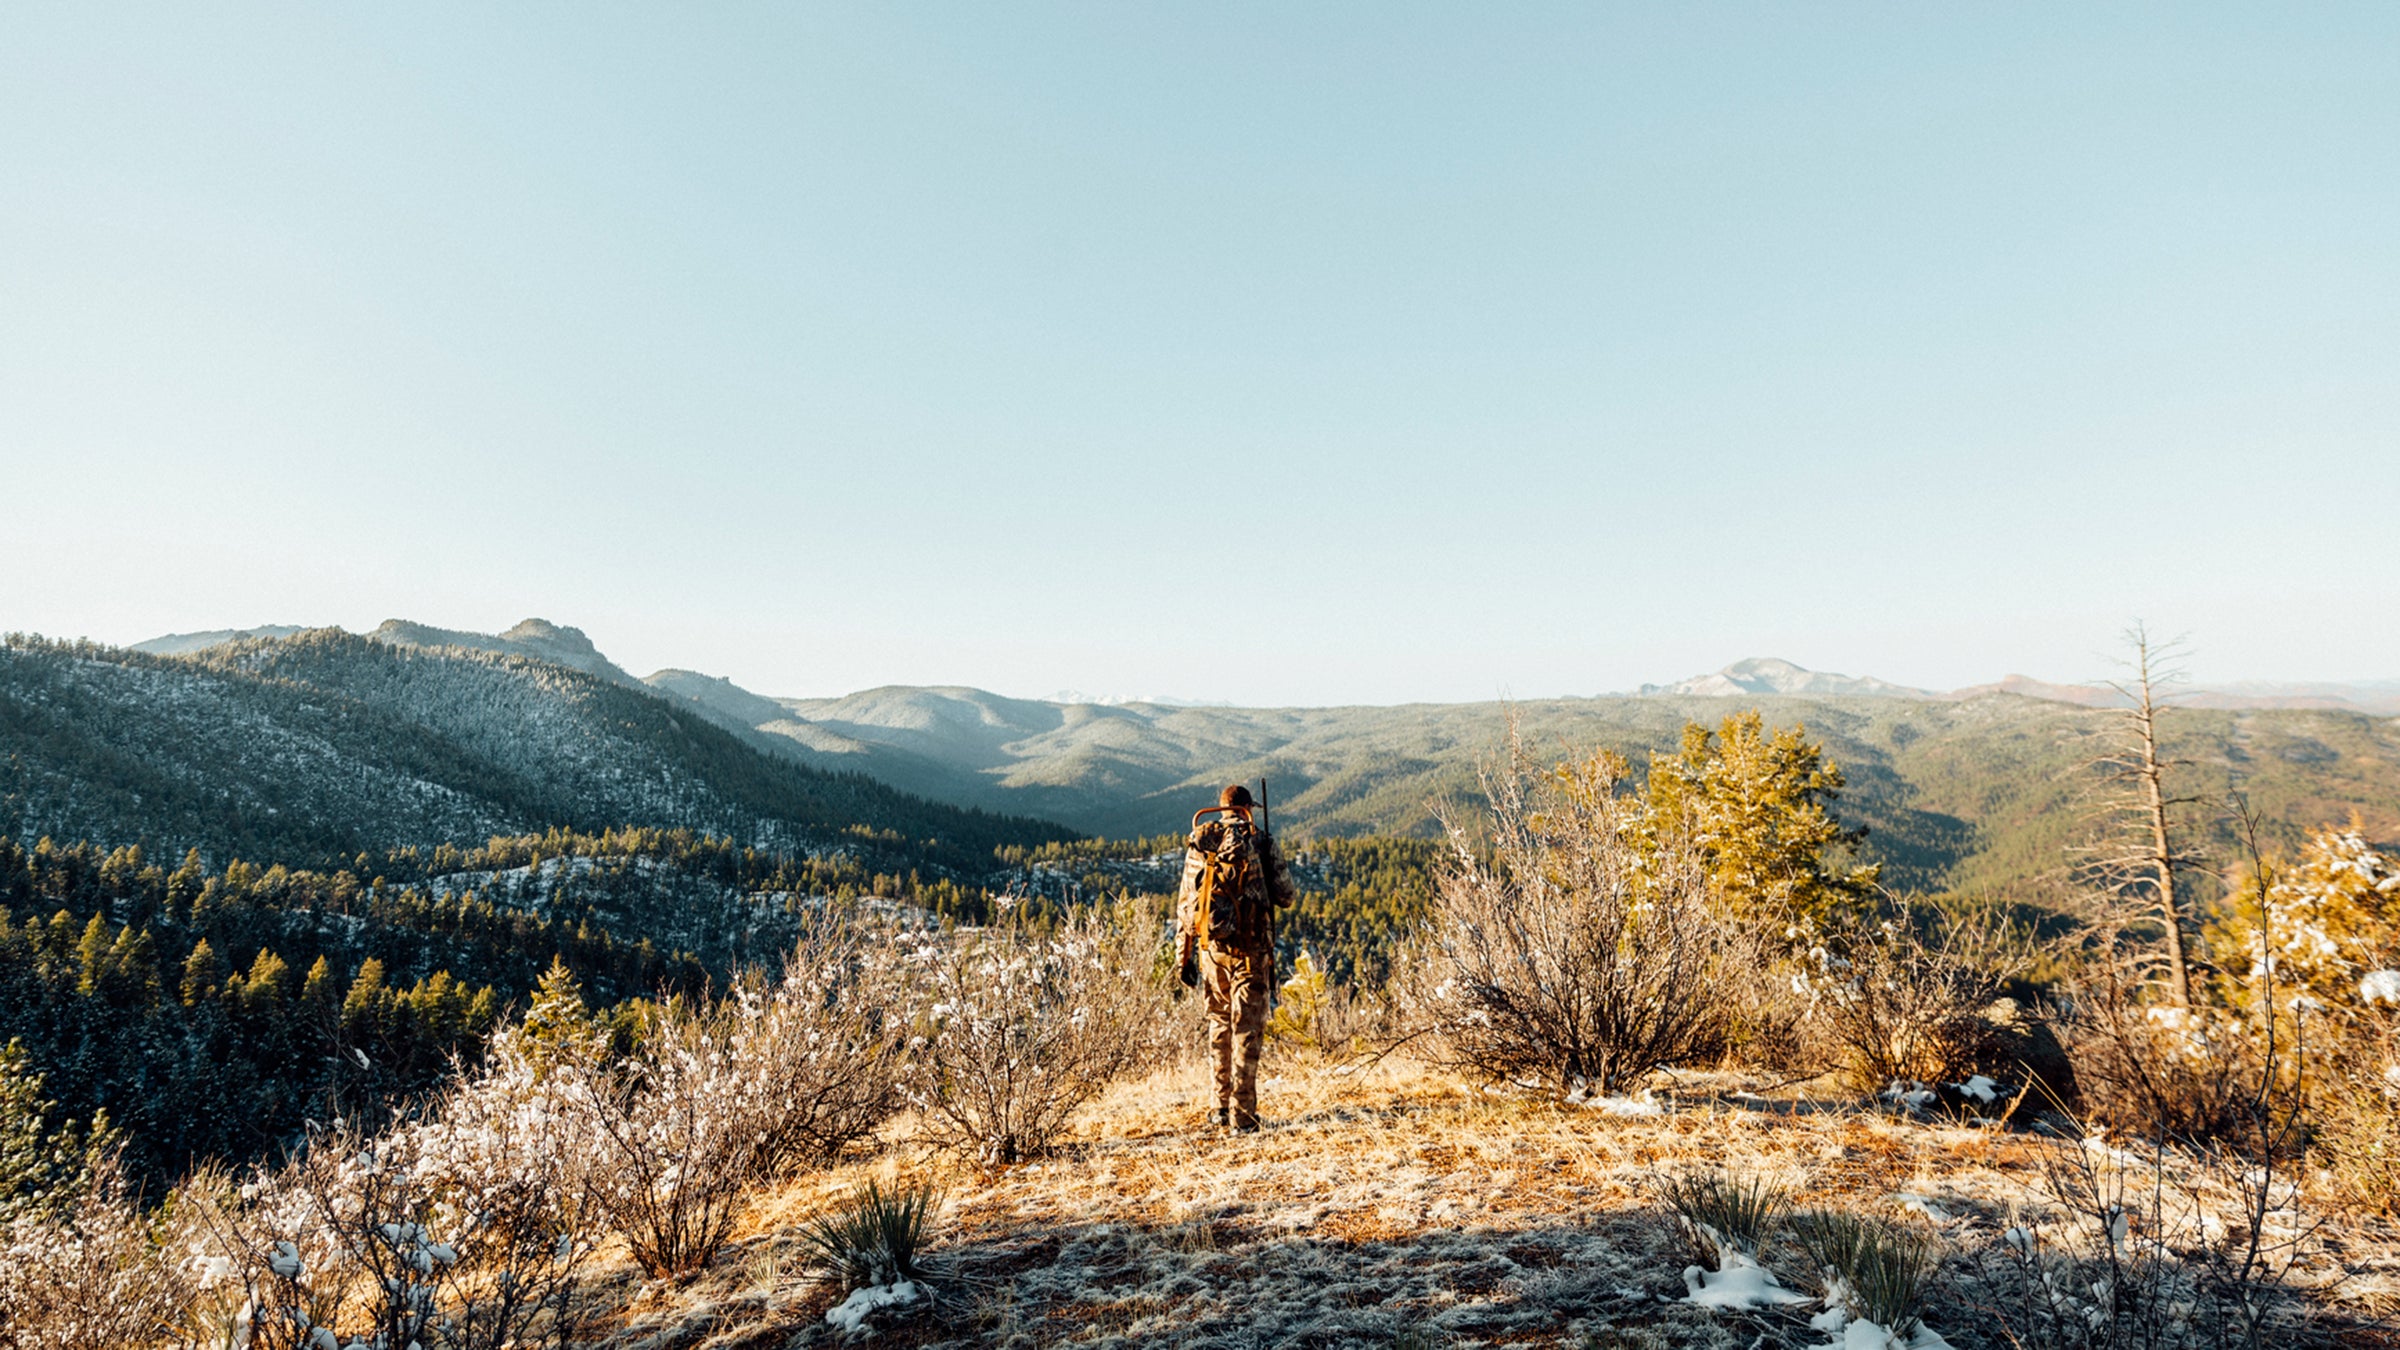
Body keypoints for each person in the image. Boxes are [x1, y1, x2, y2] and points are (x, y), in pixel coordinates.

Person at [1175, 783, 1295, 1132]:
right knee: (1247, 1031)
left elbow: (1186, 906)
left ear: (1222, 809)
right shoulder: (1260, 842)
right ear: (1248, 809)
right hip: (1251, 953)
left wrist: (1183, 958)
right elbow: (1286, 897)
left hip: (1211, 952)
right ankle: (1244, 1117)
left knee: (1219, 1026)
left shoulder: (1200, 843)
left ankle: (1218, 1108)